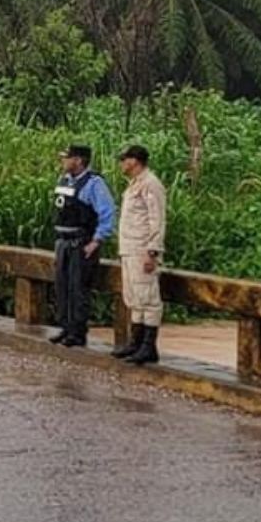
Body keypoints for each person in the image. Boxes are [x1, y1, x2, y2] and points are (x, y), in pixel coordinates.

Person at [49, 144, 114, 347]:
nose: (63, 161)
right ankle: (66, 327)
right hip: (63, 241)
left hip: (81, 243)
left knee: (78, 288)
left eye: (67, 158)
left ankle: (77, 332)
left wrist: (96, 241)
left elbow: (107, 213)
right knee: (63, 287)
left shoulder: (94, 184)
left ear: (78, 160)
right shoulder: (64, 181)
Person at [111, 145, 166, 364]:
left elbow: (157, 219)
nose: (122, 164)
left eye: (124, 160)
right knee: (134, 298)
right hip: (129, 249)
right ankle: (136, 342)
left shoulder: (151, 184)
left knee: (148, 298)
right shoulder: (135, 184)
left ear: (134, 161)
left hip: (143, 249)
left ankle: (148, 346)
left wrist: (152, 251)